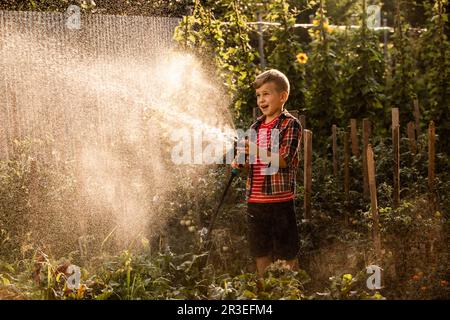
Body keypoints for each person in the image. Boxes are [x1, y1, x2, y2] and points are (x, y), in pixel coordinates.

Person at [232, 69, 302, 278]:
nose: (261, 100)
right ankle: (266, 293)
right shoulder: (255, 127)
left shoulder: (290, 124)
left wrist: (254, 150)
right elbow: (250, 166)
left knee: (286, 251)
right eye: (258, 95)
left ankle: (291, 290)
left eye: (266, 94)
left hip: (280, 202)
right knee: (260, 251)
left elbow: (283, 160)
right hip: (256, 202)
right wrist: (240, 164)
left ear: (282, 96)